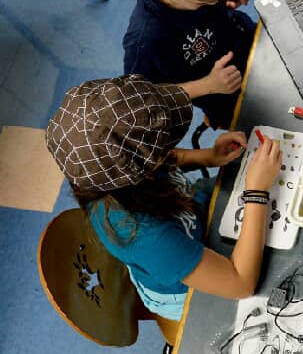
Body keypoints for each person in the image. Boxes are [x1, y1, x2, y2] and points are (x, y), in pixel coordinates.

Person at [45, 75, 281, 321]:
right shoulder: (144, 235)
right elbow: (241, 283)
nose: (164, 150)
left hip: (188, 220)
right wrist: (257, 192)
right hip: (187, 292)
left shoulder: (102, 171)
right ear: (138, 173)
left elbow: (161, 156)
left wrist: (208, 157)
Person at [124, 0, 257, 130]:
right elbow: (141, 100)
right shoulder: (145, 41)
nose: (214, 2)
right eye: (203, 1)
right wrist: (207, 85)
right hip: (227, 93)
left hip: (249, 40)